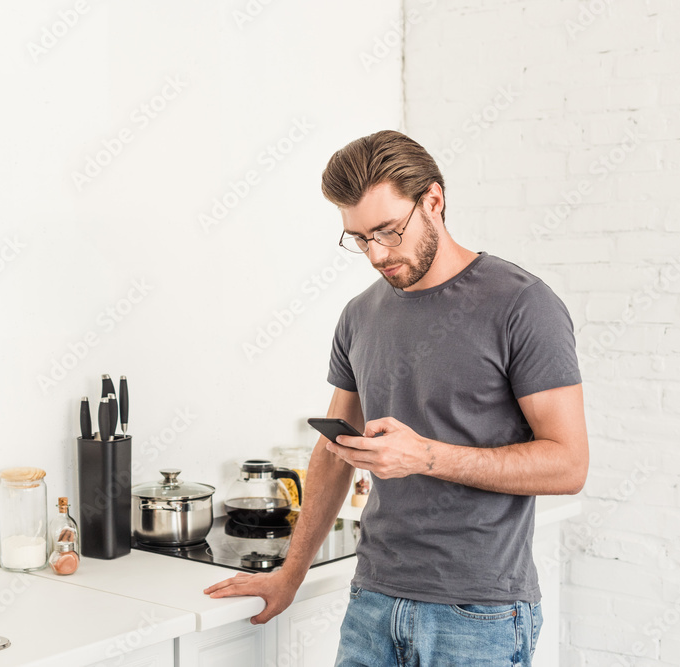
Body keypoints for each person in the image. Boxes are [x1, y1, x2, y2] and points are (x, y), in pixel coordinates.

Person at [204, 130, 588, 666]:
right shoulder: (359, 315)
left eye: (388, 231)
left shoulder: (523, 306)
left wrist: (426, 455)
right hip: (372, 602)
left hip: (477, 615)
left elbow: (568, 465)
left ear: (433, 200)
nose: (376, 254)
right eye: (359, 238)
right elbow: (332, 453)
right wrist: (290, 573)